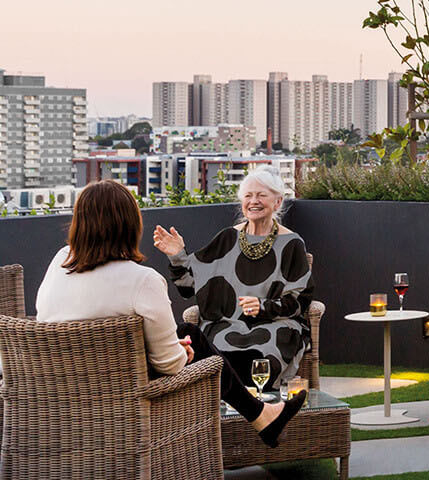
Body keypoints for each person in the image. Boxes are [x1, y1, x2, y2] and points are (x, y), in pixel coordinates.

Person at [36, 181, 305, 447]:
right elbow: (169, 365)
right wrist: (182, 352)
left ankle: (261, 415)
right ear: (130, 225)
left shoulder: (59, 261)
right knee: (191, 337)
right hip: (123, 398)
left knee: (186, 335)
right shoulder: (142, 281)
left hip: (56, 398)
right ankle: (260, 416)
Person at [153, 165, 314, 393]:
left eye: (261, 195)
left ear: (277, 202)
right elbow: (189, 287)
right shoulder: (228, 238)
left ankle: (261, 408)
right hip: (228, 323)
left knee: (264, 351)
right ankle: (228, 411)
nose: (253, 201)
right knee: (218, 347)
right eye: (248, 196)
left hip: (275, 323)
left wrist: (262, 306)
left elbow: (300, 299)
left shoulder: (292, 243)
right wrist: (177, 256)